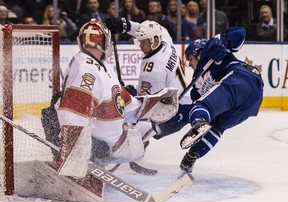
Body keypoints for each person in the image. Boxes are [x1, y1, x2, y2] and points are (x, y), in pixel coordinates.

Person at [41, 18, 178, 178]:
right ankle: (88, 161)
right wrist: (147, 106)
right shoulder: (106, 67)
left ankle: (74, 166)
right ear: (103, 43)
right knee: (59, 104)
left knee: (50, 113)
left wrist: (71, 162)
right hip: (117, 142)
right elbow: (129, 106)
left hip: (100, 146)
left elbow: (74, 117)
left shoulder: (84, 66)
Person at [171, 27, 263, 178]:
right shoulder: (196, 86)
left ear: (198, 52)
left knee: (202, 107)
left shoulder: (208, 50)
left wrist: (224, 43)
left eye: (190, 59)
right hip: (249, 104)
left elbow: (240, 32)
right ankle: (192, 157)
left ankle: (200, 122)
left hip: (242, 80)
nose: (190, 64)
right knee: (218, 125)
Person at [105, 17, 189, 141]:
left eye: (143, 42)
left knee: (129, 133)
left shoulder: (153, 71)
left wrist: (129, 94)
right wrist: (124, 25)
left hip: (172, 114)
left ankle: (135, 146)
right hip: (184, 102)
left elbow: (145, 109)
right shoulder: (164, 38)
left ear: (154, 41)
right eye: (140, 41)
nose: (140, 45)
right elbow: (142, 29)